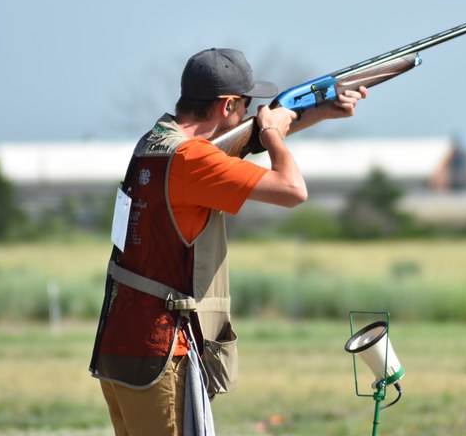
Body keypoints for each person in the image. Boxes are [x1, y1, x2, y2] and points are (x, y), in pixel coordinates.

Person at [89, 47, 367, 435]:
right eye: (246, 105)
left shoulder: (156, 142)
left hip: (122, 346)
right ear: (227, 105)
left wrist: (320, 110)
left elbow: (236, 144)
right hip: (162, 354)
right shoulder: (192, 160)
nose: (252, 113)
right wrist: (271, 132)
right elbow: (292, 190)